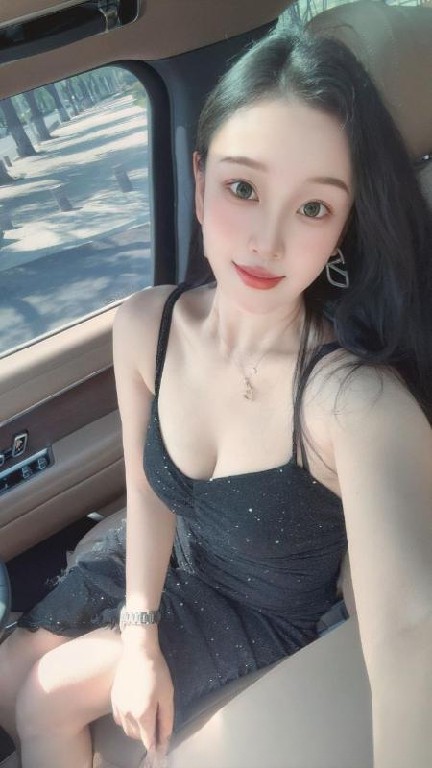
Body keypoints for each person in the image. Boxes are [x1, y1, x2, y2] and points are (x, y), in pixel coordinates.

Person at [1, 25, 432, 768]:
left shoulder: (352, 403)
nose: (267, 241)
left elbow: (411, 635)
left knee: (45, 697)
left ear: (343, 227)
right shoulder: (146, 325)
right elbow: (146, 491)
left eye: (313, 208)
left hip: (259, 613)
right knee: (8, 676)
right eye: (244, 188)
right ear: (199, 182)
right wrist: (139, 633)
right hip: (171, 564)